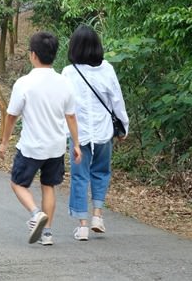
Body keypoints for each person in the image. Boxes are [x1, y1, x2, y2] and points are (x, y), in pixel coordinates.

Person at [0, 31, 82, 246]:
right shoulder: (65, 83)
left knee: (17, 183)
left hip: (31, 147)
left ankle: (36, 214)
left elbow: (11, 116)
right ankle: (47, 234)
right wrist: (77, 144)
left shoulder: (24, 83)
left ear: (33, 55)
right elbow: (71, 116)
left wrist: (4, 142)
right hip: (56, 146)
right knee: (48, 186)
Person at [61, 25, 129, 241]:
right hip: (103, 131)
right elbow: (116, 100)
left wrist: (62, 133)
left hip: (78, 134)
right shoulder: (107, 69)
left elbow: (63, 106)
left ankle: (82, 226)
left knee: (80, 176)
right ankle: (97, 216)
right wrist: (123, 127)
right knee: (101, 171)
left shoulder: (68, 72)